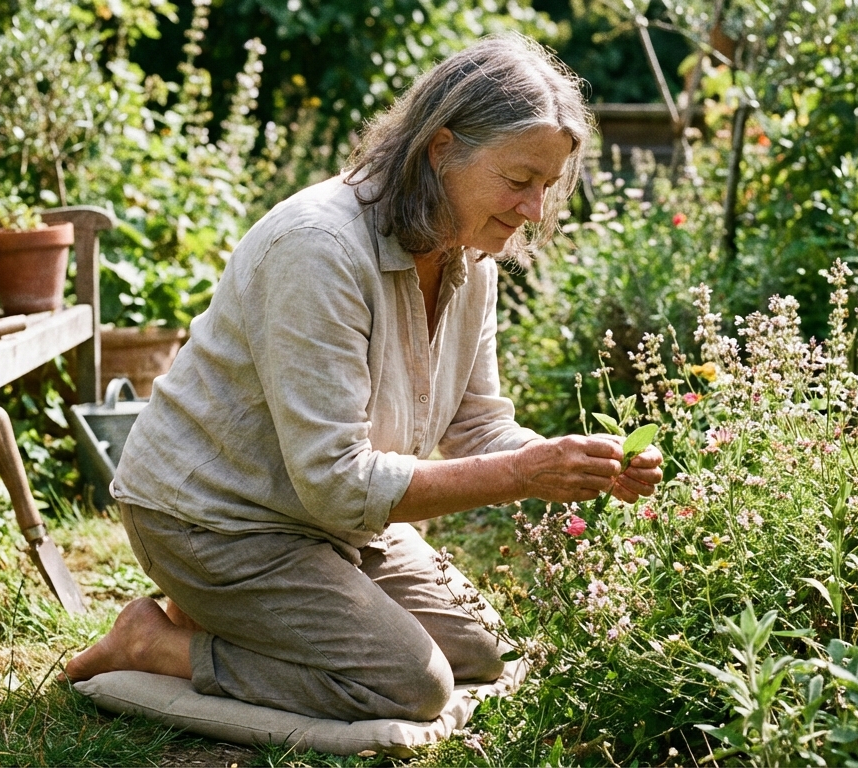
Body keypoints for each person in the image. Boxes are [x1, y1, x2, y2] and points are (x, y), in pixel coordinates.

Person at [65, 34, 664, 722]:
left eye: (548, 187)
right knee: (415, 687)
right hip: (215, 519)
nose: (534, 209)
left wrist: (580, 464)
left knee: (485, 651)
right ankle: (154, 644)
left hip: (329, 521)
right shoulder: (318, 250)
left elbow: (478, 425)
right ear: (442, 150)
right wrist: (525, 474)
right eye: (519, 179)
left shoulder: (472, 258)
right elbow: (335, 481)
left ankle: (220, 616)